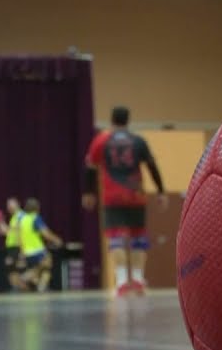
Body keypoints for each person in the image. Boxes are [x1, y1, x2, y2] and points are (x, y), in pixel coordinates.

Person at [83, 106, 166, 297]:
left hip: (112, 196)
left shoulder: (102, 140)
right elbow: (152, 165)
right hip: (136, 195)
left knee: (115, 238)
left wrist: (88, 192)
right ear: (128, 120)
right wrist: (160, 190)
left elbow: (90, 167)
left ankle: (121, 282)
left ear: (111, 120)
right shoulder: (138, 141)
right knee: (138, 237)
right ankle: (137, 279)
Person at [17, 198, 63, 293]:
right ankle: (26, 278)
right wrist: (56, 240)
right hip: (37, 249)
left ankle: (40, 287)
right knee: (47, 265)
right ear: (37, 208)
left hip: (27, 251)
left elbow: (19, 237)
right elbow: (45, 233)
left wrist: (22, 252)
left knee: (42, 268)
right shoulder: (35, 218)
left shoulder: (22, 219)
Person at [0, 197, 25, 291]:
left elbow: (21, 232)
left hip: (17, 246)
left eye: (10, 204)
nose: (8, 207)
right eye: (7, 205)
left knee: (15, 267)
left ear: (17, 204)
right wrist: (1, 224)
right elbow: (11, 231)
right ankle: (16, 287)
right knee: (11, 268)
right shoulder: (14, 217)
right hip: (12, 247)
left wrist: (22, 250)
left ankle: (20, 287)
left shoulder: (20, 216)